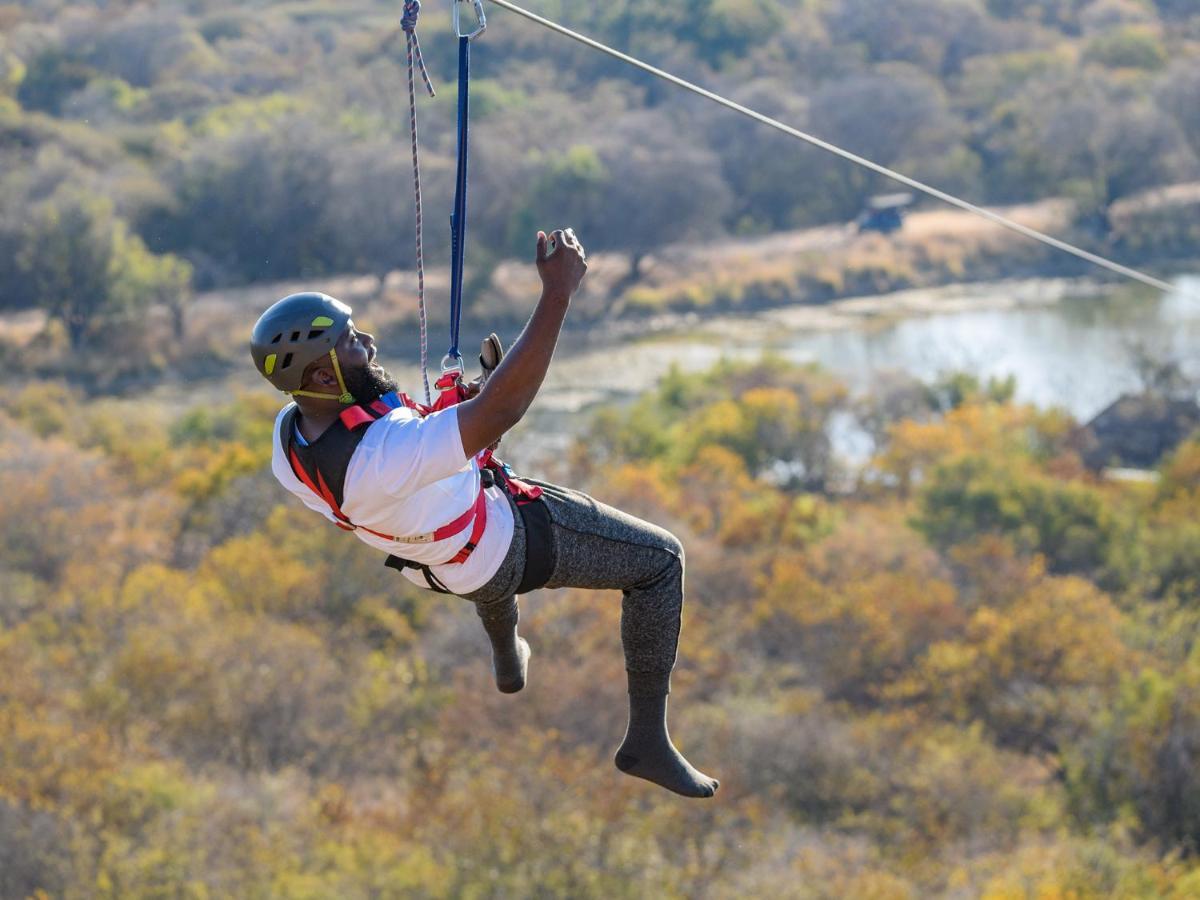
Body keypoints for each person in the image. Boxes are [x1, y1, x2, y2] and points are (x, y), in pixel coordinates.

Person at [250, 228, 718, 798]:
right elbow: (503, 411)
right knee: (660, 562)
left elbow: (413, 448)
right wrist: (558, 293)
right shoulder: (382, 458)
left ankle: (506, 652)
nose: (368, 342)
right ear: (324, 376)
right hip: (499, 543)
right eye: (351, 342)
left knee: (476, 562)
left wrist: (470, 395)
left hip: (434, 562)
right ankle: (647, 741)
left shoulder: (289, 438)